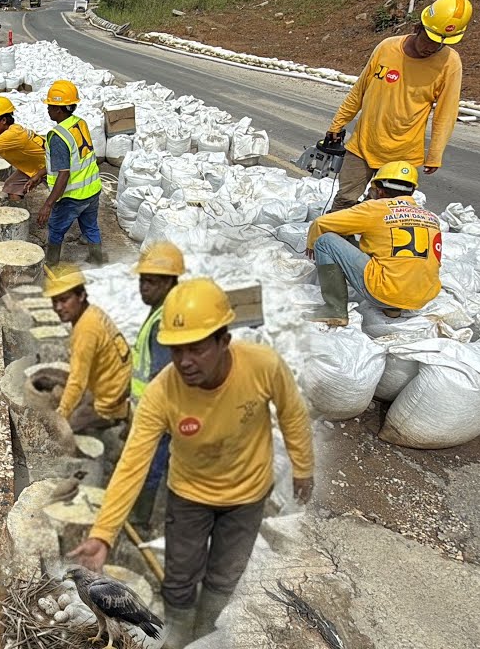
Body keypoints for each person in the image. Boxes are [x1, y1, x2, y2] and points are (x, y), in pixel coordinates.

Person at [67, 278, 315, 648]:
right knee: (180, 576)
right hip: (189, 496)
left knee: (225, 574)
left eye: (196, 349)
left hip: (247, 496)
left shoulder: (263, 366)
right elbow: (133, 463)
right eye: (177, 350)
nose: (184, 362)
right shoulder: (162, 392)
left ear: (223, 340)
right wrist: (103, 534)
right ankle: (179, 632)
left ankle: (206, 629)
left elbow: (292, 413)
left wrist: (303, 467)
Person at [325, 0, 471, 212]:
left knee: (384, 210)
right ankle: (334, 234)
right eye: (429, 39)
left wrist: (435, 153)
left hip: (402, 155)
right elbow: (359, 91)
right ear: (417, 28)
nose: (432, 48)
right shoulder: (387, 48)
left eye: (441, 43)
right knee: (345, 201)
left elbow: (446, 112)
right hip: (363, 145)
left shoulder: (450, 62)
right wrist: (337, 124)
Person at [305, 161, 442, 326]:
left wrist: (311, 244)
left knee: (325, 241)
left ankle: (334, 310)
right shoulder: (430, 217)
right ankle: (393, 308)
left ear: (379, 190)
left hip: (385, 291)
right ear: (412, 191)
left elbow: (321, 223)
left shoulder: (375, 208)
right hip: (422, 296)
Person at [128, 242, 183, 530]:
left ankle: (141, 518)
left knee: (150, 462)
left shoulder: (165, 323)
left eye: (150, 282)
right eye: (142, 281)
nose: (143, 288)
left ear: (169, 282)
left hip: (158, 411)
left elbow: (163, 374)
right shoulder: (163, 310)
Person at [43, 263, 131, 435]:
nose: (58, 307)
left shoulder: (86, 330)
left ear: (81, 295)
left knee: (62, 430)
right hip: (118, 381)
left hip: (109, 396)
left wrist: (61, 415)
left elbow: (77, 381)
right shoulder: (92, 312)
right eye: (55, 301)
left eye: (64, 300)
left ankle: (114, 417)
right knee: (59, 387)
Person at [36, 79, 104, 265]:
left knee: (56, 229)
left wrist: (48, 204)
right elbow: (74, 160)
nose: (47, 109)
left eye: (50, 106)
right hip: (92, 190)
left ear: (59, 109)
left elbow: (64, 173)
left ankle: (51, 264)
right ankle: (97, 262)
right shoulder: (79, 123)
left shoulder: (58, 136)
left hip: (72, 197)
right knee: (90, 227)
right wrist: (39, 174)